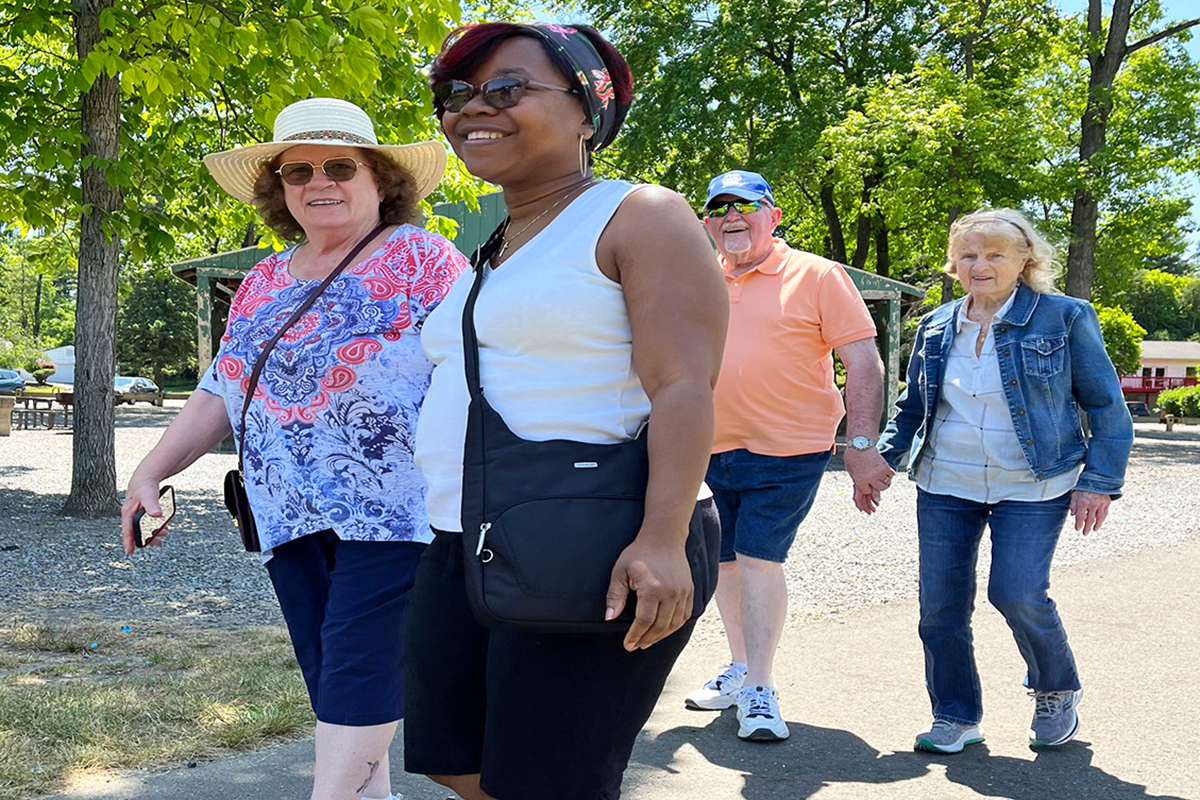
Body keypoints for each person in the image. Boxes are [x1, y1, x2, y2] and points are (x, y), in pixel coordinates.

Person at [403, 22, 727, 800]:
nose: (473, 108)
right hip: (467, 532)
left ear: (588, 111)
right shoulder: (496, 241)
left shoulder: (639, 215)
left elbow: (684, 385)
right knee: (453, 756)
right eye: (457, 94)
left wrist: (663, 538)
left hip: (596, 533)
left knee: (550, 782)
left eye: (508, 88)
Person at [120, 97, 468, 800]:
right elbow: (221, 387)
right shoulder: (264, 281)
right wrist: (150, 470)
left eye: (341, 165)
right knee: (332, 677)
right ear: (278, 188)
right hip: (286, 516)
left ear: (380, 179)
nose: (319, 181)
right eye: (297, 170)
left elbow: (481, 371)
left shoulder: (423, 258)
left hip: (396, 513)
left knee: (357, 672)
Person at [876, 208, 1134, 754]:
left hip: (1035, 481)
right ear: (954, 262)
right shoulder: (937, 324)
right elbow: (913, 406)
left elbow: (1107, 406)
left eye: (995, 253)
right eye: (968, 254)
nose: (980, 264)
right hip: (946, 481)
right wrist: (881, 458)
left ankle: (1056, 688)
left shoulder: (1064, 317)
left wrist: (1099, 481)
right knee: (939, 607)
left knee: (1016, 592)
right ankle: (955, 715)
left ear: (1025, 259)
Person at [684, 170, 893, 741]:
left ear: (772, 215)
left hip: (788, 449)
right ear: (706, 224)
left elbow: (864, 362)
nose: (730, 217)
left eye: (744, 206)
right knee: (721, 563)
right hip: (707, 446)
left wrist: (862, 444)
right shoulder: (699, 276)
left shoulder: (818, 274)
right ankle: (740, 668)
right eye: (717, 209)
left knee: (757, 559)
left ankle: (761, 687)